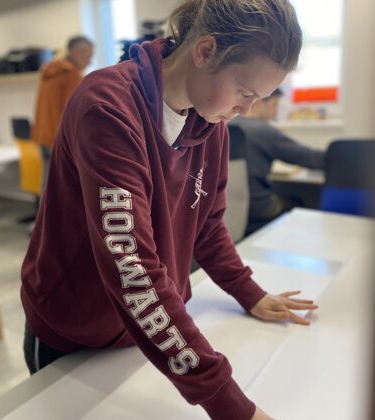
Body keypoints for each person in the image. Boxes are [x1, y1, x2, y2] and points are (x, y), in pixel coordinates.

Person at [21, 2, 318, 419]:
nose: (246, 110)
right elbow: (132, 268)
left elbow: (208, 227)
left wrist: (248, 292)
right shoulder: (107, 106)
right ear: (205, 51)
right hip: (75, 330)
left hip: (149, 335)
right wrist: (231, 407)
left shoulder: (210, 123)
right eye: (245, 92)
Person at [229, 89, 326, 235]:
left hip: (230, 207)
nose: (275, 113)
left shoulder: (227, 125)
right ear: (259, 103)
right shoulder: (263, 131)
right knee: (299, 201)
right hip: (258, 208)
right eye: (275, 105)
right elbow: (310, 158)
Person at [32, 35, 94, 182]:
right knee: (65, 188)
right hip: (61, 139)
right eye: (89, 56)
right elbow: (76, 114)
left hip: (43, 135)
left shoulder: (49, 72)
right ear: (77, 53)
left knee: (48, 185)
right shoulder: (71, 75)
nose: (90, 61)